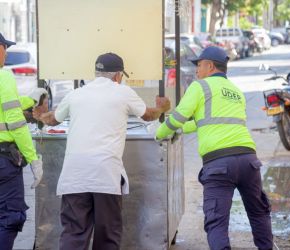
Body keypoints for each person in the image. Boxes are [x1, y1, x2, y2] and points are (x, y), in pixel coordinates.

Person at [33, 52, 171, 250]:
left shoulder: (76, 94)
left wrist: (39, 115)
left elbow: (52, 119)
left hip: (75, 176)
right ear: (117, 76)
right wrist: (161, 108)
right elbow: (148, 116)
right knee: (107, 236)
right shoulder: (122, 91)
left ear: (96, 73)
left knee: (74, 234)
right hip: (106, 175)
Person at [155, 46, 273, 250]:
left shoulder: (200, 86)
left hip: (219, 165)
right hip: (248, 160)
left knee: (216, 222)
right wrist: (183, 128)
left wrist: (158, 133)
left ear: (210, 66)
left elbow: (178, 117)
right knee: (258, 213)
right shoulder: (236, 91)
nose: (197, 70)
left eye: (199, 65)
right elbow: (206, 122)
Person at [0, 33, 45, 250]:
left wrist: (31, 99)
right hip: (3, 162)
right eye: (5, 48)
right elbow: (15, 124)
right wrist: (33, 158)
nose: (6, 53)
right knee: (10, 217)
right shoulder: (3, 77)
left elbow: (6, 105)